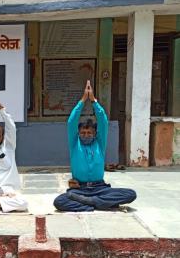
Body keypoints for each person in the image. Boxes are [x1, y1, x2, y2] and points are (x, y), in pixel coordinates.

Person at [53, 81, 136, 212]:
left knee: (130, 193)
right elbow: (71, 122)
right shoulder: (75, 144)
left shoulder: (99, 143)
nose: (86, 135)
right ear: (78, 134)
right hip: (80, 189)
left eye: (89, 132)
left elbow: (103, 121)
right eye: (83, 133)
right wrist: (82, 100)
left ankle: (91, 203)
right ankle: (99, 204)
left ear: (95, 133)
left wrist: (93, 101)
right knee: (59, 202)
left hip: (100, 188)